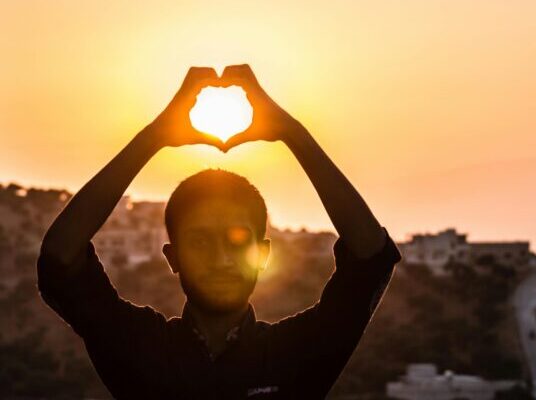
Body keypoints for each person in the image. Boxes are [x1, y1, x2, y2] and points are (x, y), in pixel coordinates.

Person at [37, 64, 401, 399]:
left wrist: (292, 132)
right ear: (172, 257)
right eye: (199, 241)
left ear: (263, 254)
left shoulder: (295, 354)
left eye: (238, 241)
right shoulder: (140, 348)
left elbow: (370, 258)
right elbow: (60, 258)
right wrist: (154, 137)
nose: (222, 258)